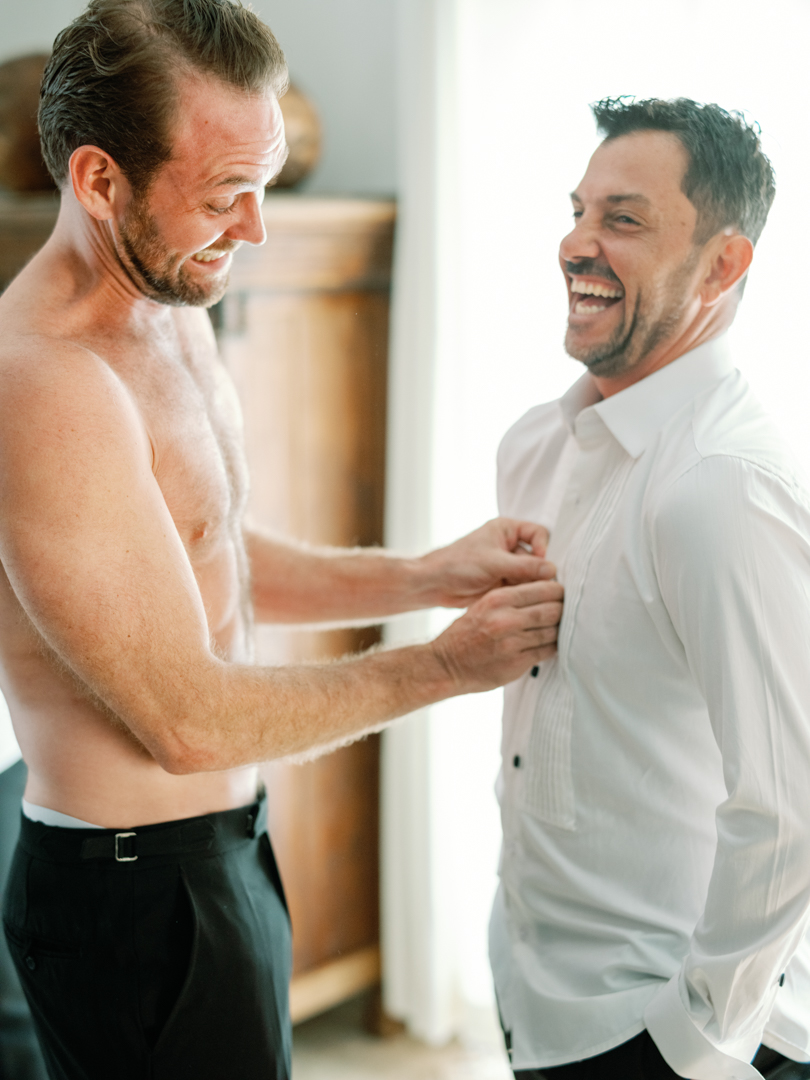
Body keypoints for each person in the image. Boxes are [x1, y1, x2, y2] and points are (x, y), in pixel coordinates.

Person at [0, 2, 565, 1078]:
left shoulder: (170, 289)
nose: (255, 228)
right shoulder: (44, 385)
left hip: (221, 850)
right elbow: (188, 722)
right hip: (133, 899)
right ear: (100, 182)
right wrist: (445, 667)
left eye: (262, 185)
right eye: (225, 196)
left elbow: (202, 552)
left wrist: (425, 575)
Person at [490, 97, 810, 1080]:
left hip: (666, 1030)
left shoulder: (722, 488)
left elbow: (792, 805)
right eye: (578, 211)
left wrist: (696, 1044)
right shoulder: (534, 446)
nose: (575, 245)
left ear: (722, 265)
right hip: (540, 999)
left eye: (622, 220)